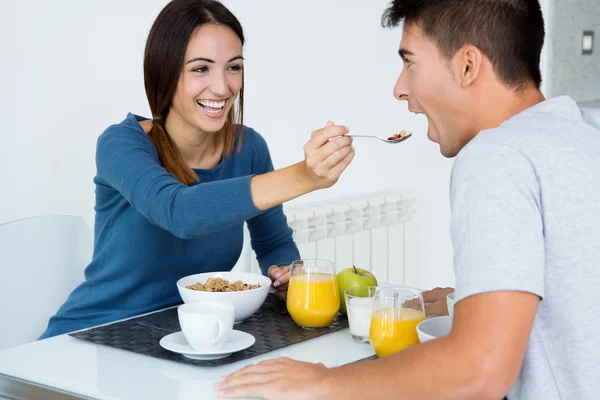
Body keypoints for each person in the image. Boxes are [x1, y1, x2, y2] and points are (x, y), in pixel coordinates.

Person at [217, 0, 600, 399]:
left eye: (410, 62)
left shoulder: (497, 156)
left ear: (468, 66)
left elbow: (481, 369)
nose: (399, 88)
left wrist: (323, 382)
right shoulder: (585, 132)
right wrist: (468, 301)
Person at [39, 0, 355, 339]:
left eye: (234, 67)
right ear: (166, 72)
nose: (222, 87)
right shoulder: (121, 144)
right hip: (92, 337)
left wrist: (286, 275)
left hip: (184, 337)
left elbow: (273, 243)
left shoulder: (248, 147)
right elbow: (180, 212)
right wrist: (305, 177)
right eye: (201, 69)